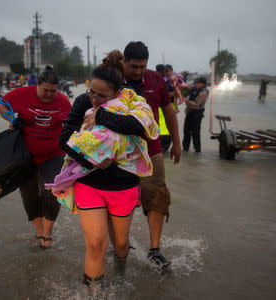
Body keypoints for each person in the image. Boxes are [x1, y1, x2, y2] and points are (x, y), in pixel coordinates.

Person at [59, 50, 158, 288]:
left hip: (123, 183)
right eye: (92, 91)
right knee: (95, 243)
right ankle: (94, 292)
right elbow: (64, 140)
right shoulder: (83, 101)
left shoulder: (132, 101)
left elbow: (137, 127)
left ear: (117, 91)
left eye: (101, 95)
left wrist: (101, 115)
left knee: (121, 244)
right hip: (89, 181)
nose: (93, 98)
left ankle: (121, 279)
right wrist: (91, 160)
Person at [122, 41, 181, 271]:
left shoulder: (156, 79)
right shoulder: (113, 78)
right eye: (133, 66)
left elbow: (169, 110)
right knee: (119, 200)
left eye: (142, 67)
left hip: (152, 150)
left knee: (157, 195)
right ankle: (120, 245)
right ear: (124, 62)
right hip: (118, 155)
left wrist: (177, 142)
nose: (138, 71)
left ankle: (155, 249)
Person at [0, 66, 71, 248]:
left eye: (53, 91)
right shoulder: (23, 93)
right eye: (45, 90)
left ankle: (47, 232)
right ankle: (39, 231)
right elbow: (1, 103)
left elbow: (71, 126)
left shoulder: (63, 101)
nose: (48, 94)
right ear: (37, 85)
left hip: (53, 154)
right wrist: (11, 120)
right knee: (29, 197)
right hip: (25, 156)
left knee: (53, 190)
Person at [182, 77, 209, 152]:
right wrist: (185, 88)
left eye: (198, 83)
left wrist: (187, 101)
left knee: (195, 132)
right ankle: (185, 149)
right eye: (196, 82)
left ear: (202, 84)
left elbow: (196, 104)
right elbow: (184, 93)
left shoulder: (204, 92)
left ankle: (197, 150)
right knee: (186, 131)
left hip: (197, 113)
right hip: (189, 112)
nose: (196, 84)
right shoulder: (194, 88)